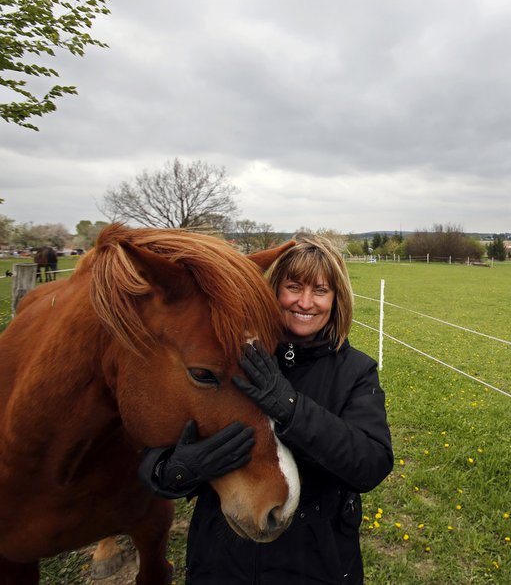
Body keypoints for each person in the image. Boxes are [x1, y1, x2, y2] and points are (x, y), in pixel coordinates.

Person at [139, 235, 393, 584]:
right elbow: (163, 444)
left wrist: (290, 408)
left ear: (336, 300)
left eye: (320, 290)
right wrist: (179, 470)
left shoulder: (355, 372)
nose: (305, 302)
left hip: (314, 564)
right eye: (294, 287)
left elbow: (370, 464)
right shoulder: (234, 355)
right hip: (221, 560)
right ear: (273, 291)